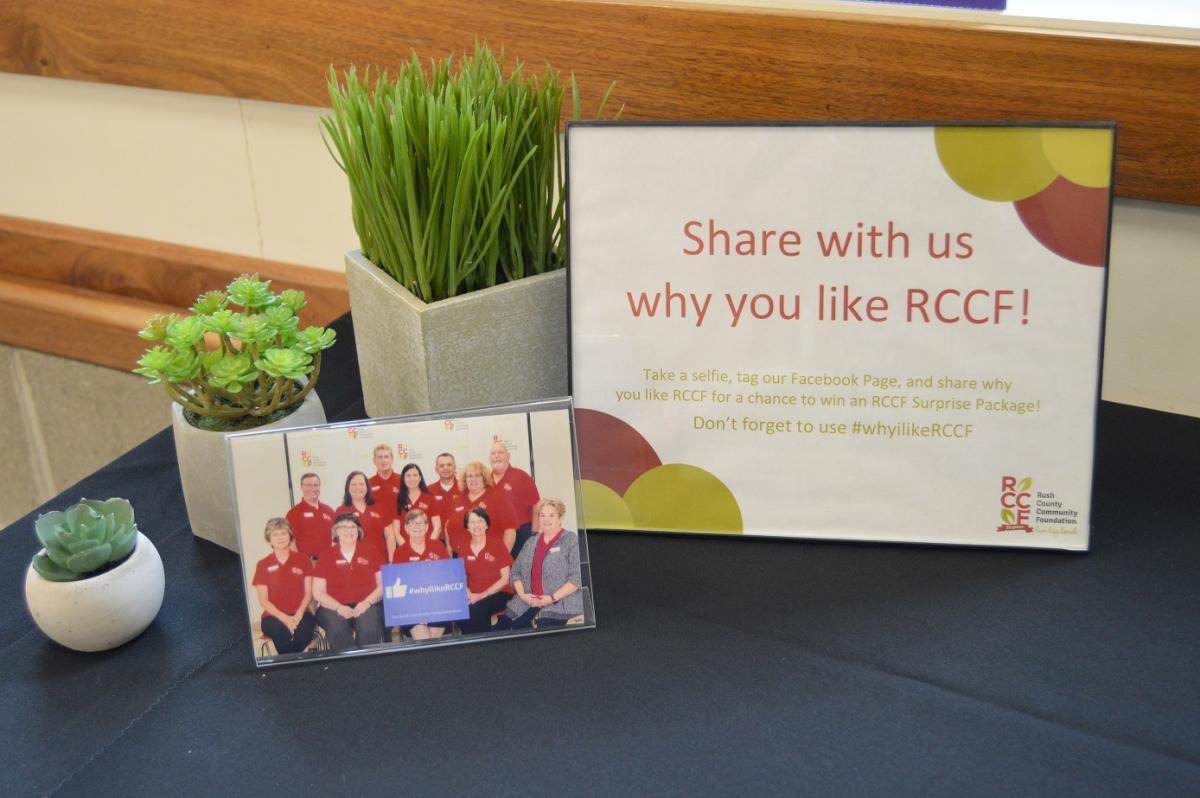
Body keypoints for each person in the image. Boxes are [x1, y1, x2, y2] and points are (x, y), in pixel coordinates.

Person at [506, 499, 584, 629]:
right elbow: (515, 572)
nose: (546, 519)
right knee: (506, 626)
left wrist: (551, 598)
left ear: (560, 518)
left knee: (543, 626)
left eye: (551, 515)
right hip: (528, 601)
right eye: (542, 515)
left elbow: (577, 578)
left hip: (560, 602)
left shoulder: (570, 540)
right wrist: (523, 596)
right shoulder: (531, 542)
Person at [313, 513, 385, 650]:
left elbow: (383, 585)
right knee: (337, 629)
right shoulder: (326, 555)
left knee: (368, 627)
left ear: (358, 530)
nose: (349, 531)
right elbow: (318, 592)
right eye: (344, 527)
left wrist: (367, 602)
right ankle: (348, 663)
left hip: (368, 604)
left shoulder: (372, 551)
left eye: (352, 527)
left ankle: (366, 661)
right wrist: (338, 607)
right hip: (333, 607)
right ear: (336, 531)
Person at [252, 517, 317, 654]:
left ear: (290, 536)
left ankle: (288, 663)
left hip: (302, 614)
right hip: (273, 617)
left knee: (303, 632)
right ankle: (296, 663)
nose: (280, 537)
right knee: (281, 632)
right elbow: (263, 600)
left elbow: (308, 592)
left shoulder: (303, 560)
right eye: (275, 534)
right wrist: (285, 619)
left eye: (283, 533)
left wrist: (299, 613)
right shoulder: (263, 564)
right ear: (269, 539)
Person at [390, 508, 451, 640]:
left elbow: (448, 576)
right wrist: (419, 609)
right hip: (411, 606)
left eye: (420, 523)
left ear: (427, 527)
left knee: (428, 641)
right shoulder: (400, 552)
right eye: (412, 523)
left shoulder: (438, 546)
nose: (417, 526)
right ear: (406, 528)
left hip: (438, 603)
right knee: (427, 640)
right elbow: (398, 584)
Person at [457, 508, 513, 634]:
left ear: (487, 525)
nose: (476, 525)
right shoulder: (462, 549)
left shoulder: (498, 544)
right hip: (473, 594)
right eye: (472, 522)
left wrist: (481, 595)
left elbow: (505, 578)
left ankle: (485, 644)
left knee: (476, 611)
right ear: (467, 527)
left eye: (480, 521)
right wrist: (469, 595)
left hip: (500, 592)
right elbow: (461, 579)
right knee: (461, 613)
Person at [444, 461, 517, 556]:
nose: (473, 479)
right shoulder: (457, 500)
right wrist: (449, 549)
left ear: (484, 478)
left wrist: (502, 557)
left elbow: (510, 529)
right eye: (469, 476)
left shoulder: (499, 498)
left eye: (477, 475)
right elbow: (447, 526)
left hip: (489, 557)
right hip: (459, 557)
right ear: (465, 480)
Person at [488, 440, 540, 555]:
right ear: (489, 458)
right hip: (495, 534)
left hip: (521, 534)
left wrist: (534, 534)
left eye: (500, 452)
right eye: (493, 453)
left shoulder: (521, 476)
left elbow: (536, 506)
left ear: (508, 456)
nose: (496, 456)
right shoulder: (485, 480)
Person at [334, 471, 388, 560]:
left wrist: (391, 560)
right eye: (354, 484)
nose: (358, 487)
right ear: (348, 488)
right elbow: (336, 540)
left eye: (361, 484)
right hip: (354, 562)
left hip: (380, 560)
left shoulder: (379, 507)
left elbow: (390, 536)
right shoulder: (341, 511)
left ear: (367, 487)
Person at [285, 473, 336, 560]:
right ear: (302, 487)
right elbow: (290, 542)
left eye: (316, 485)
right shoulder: (293, 513)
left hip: (328, 561)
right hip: (306, 562)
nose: (313, 488)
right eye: (308, 485)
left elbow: (335, 537)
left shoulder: (329, 511)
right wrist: (299, 561)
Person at [393, 463, 442, 551]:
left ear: (420, 478)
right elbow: (396, 531)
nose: (412, 479)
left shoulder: (430, 498)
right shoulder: (398, 500)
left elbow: (437, 527)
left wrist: (428, 547)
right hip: (406, 549)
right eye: (408, 476)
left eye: (415, 475)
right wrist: (407, 548)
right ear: (403, 479)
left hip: (428, 549)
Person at [367, 444, 401, 530]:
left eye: (386, 457)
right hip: (377, 530)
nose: (383, 460)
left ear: (392, 459)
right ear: (374, 461)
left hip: (400, 531)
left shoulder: (402, 480)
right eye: (380, 457)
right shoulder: (367, 484)